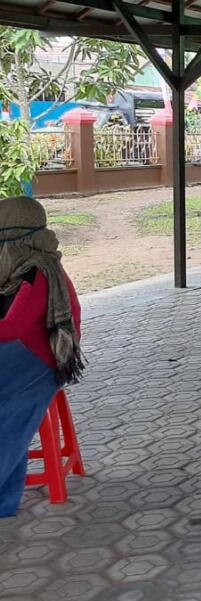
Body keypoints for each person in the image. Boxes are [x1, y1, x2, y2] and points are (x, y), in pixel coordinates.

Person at [0, 197, 84, 518]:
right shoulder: (19, 268)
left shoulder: (39, 272)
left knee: (6, 414)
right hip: (22, 354)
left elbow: (12, 327)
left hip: (40, 360)